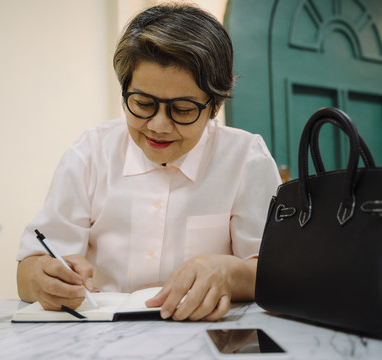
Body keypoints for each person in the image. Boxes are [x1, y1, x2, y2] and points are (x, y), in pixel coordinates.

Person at [16, 3, 281, 322]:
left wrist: (230, 272)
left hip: (205, 334)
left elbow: (276, 272)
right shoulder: (91, 152)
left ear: (214, 106)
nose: (158, 125)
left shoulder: (245, 158)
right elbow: (29, 271)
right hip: (100, 336)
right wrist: (41, 278)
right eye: (142, 103)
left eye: (182, 109)